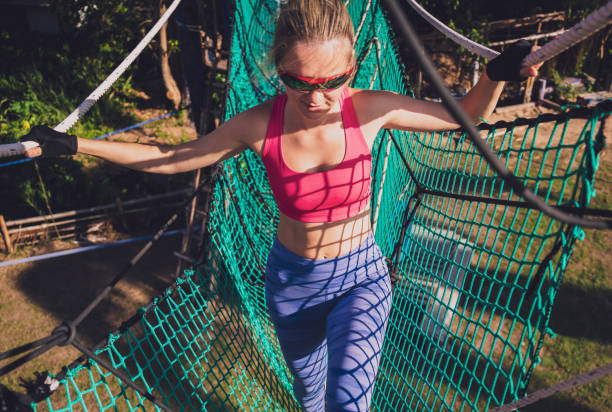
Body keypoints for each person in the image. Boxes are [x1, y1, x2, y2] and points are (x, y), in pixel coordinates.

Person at [21, 0, 540, 410]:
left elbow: (461, 117)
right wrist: (77, 144)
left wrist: (494, 75)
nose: (316, 98)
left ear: (352, 68)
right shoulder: (258, 124)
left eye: (332, 82)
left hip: (362, 276)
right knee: (309, 392)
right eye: (298, 82)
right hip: (292, 283)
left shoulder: (370, 110)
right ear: (279, 71)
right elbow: (173, 156)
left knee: (348, 400)